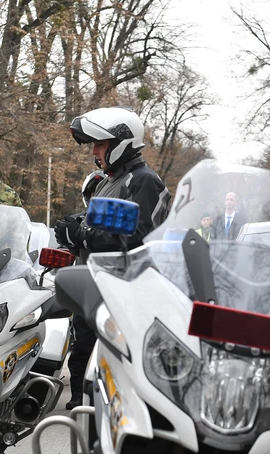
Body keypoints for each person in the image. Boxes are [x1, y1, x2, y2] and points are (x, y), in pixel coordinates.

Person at [57, 106, 171, 409]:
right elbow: (100, 225)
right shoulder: (108, 180)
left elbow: (136, 238)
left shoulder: (143, 181)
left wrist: (83, 235)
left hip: (123, 290)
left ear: (122, 142)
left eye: (100, 144)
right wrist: (73, 232)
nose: (94, 150)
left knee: (109, 364)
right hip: (94, 284)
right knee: (82, 350)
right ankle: (81, 404)